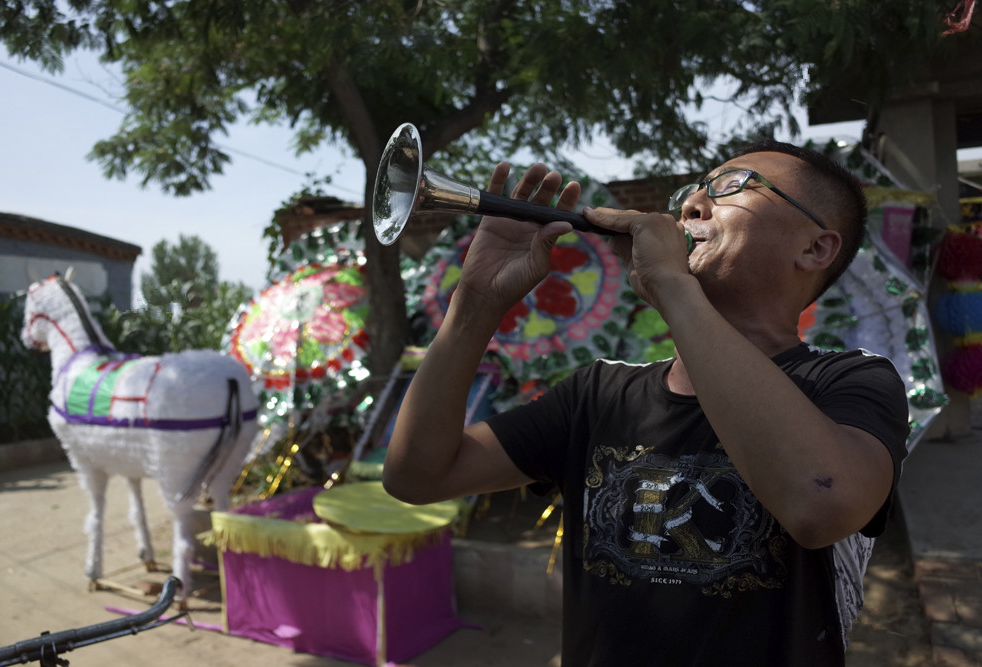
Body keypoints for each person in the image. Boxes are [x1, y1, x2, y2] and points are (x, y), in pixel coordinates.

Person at [382, 139, 910, 666]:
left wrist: (670, 284)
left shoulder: (851, 381)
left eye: (730, 187)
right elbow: (419, 475)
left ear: (815, 248)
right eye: (693, 190)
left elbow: (821, 504)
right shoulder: (598, 393)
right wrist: (475, 302)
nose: (692, 205)